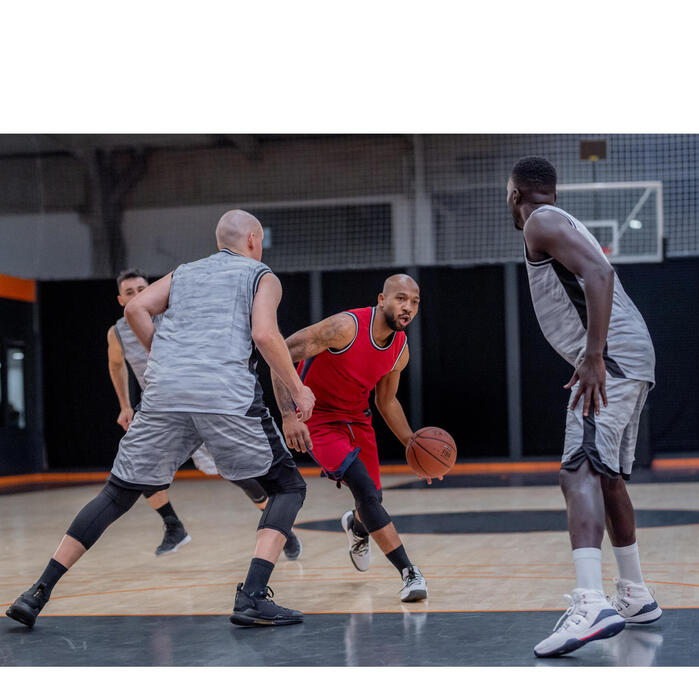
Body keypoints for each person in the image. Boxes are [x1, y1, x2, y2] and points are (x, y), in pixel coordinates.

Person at [6, 210, 315, 629]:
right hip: (223, 393)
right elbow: (264, 335)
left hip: (164, 392)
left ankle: (36, 592)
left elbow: (135, 309)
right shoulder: (260, 275)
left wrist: (161, 355)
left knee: (116, 494)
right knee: (288, 486)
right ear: (254, 239)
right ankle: (252, 597)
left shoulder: (184, 272)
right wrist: (298, 389)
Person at [506, 156, 662, 658]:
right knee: (607, 474)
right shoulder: (561, 221)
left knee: (577, 472)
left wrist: (593, 356)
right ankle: (635, 594)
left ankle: (592, 601)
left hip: (611, 357)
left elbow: (599, 272)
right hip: (629, 355)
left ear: (514, 194)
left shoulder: (541, 221)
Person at [108, 269, 302, 558]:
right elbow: (116, 365)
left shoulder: (174, 315)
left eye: (142, 289)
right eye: (131, 292)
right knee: (140, 465)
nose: (137, 295)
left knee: (237, 472)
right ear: (121, 300)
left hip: (204, 401)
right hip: (162, 408)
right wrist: (125, 404)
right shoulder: (118, 332)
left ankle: (280, 528)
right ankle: (173, 526)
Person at [272, 274, 428, 602]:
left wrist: (412, 444)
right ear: (381, 299)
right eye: (401, 298)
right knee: (365, 489)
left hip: (358, 420)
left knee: (372, 502)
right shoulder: (345, 327)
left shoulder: (400, 349)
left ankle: (357, 527)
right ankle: (409, 572)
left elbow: (386, 401)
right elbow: (281, 352)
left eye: (414, 302)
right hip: (319, 420)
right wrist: (288, 415)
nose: (408, 307)